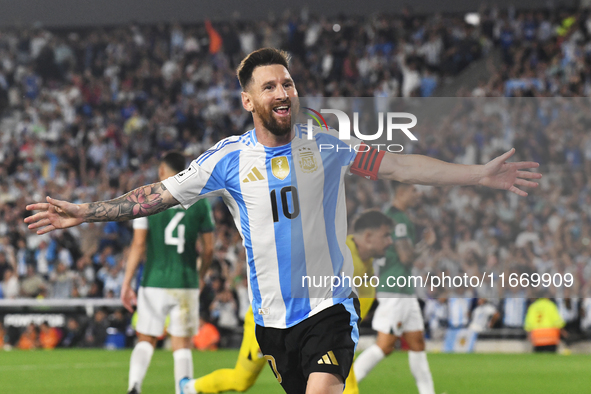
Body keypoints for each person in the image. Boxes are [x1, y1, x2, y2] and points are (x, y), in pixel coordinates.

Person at [25, 47, 541, 394]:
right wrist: (86, 211)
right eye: (269, 86)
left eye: (288, 83)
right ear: (248, 100)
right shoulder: (226, 159)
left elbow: (399, 163)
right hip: (271, 321)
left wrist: (478, 175)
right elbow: (154, 196)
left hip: (329, 306)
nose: (282, 93)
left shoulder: (326, 143)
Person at [185, 210, 393, 394]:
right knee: (241, 380)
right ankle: (191, 388)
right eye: (386, 236)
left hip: (321, 332)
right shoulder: (336, 254)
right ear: (367, 237)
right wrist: (274, 333)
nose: (390, 241)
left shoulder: (364, 268)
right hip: (272, 319)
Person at [120, 151, 215, 394]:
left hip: (154, 280)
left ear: (162, 171)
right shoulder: (200, 200)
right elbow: (209, 249)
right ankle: (182, 390)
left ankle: (134, 386)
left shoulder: (146, 198)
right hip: (185, 282)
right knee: (182, 344)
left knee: (146, 339)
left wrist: (127, 282)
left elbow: (139, 244)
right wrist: (201, 275)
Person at [353, 182, 437, 394]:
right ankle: (344, 386)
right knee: (385, 345)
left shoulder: (398, 217)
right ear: (401, 191)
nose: (417, 194)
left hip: (404, 290)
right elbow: (406, 257)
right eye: (413, 190)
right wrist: (426, 244)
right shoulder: (397, 219)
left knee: (417, 343)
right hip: (394, 289)